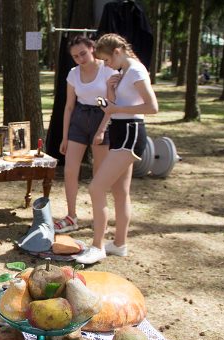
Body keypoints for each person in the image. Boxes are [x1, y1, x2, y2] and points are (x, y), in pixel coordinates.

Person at [76, 33, 158, 264]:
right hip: (121, 131)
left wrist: (116, 107)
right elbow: (111, 107)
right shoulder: (123, 73)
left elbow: (152, 107)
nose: (106, 65)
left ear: (118, 51)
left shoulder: (136, 71)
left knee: (96, 188)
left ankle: (97, 246)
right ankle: (119, 244)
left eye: (107, 60)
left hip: (131, 134)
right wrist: (110, 95)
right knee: (120, 192)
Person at [54, 35, 117, 233]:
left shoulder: (107, 70)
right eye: (75, 56)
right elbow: (69, 106)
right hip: (79, 120)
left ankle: (99, 218)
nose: (80, 59)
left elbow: (112, 105)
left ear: (92, 48)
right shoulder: (73, 74)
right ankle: (71, 216)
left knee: (99, 175)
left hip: (102, 117)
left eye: (83, 53)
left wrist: (102, 129)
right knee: (70, 170)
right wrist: (64, 136)